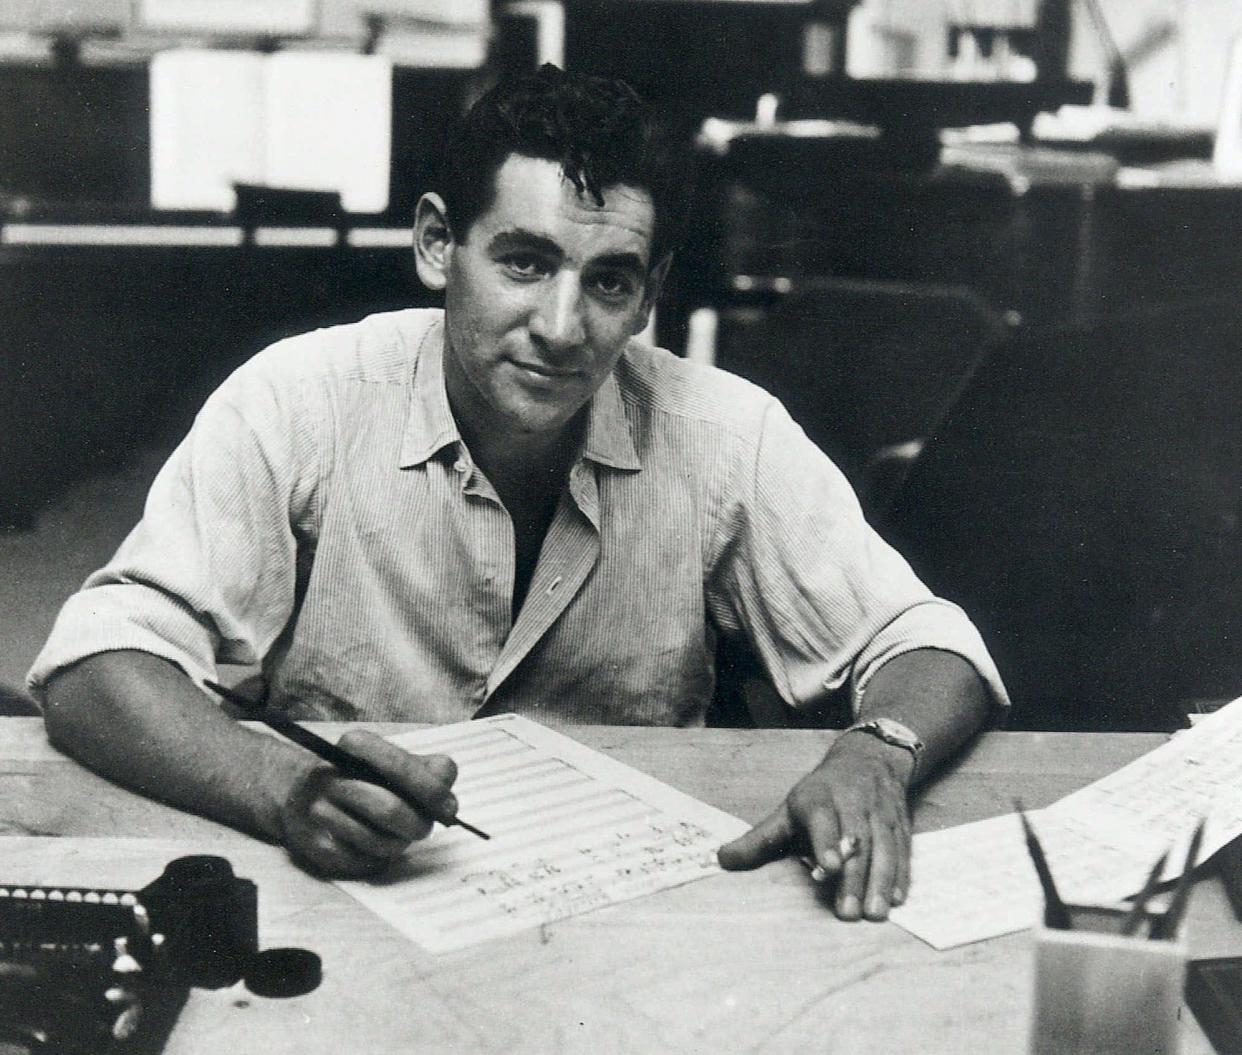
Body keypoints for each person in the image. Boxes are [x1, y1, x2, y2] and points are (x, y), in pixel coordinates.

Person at [29, 65, 1006, 923]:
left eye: (610, 282)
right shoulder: (301, 399)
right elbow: (97, 658)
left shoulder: (720, 429)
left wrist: (878, 745)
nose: (561, 325)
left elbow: (928, 641)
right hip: (351, 902)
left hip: (634, 912)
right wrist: (284, 786)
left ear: (650, 293)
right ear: (436, 243)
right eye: (525, 262)